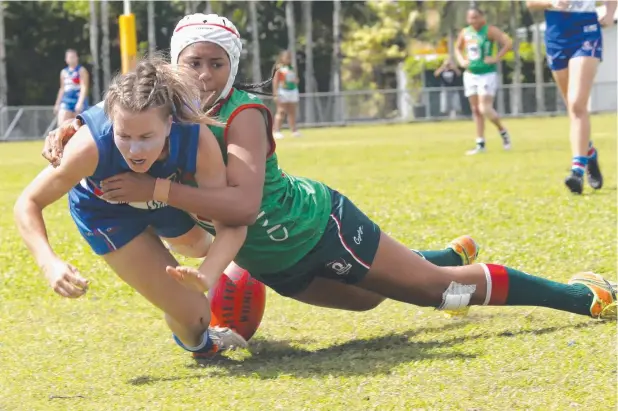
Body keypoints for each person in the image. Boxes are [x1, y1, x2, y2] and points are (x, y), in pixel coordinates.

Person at [43, 14, 617, 356]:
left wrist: (160, 195)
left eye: (216, 64)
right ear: (175, 63)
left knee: (439, 294)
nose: (203, 74)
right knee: (369, 300)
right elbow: (116, 116)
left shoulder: (242, 113)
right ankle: (430, 257)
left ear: (232, 68)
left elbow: (241, 204)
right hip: (276, 263)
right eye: (193, 62)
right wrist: (66, 127)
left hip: (320, 229)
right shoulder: (160, 111)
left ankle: (581, 296)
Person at [16, 56, 249, 361]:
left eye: (146, 137)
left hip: (162, 193)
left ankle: (166, 243)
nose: (134, 150)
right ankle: (203, 343)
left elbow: (230, 222)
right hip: (106, 212)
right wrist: (49, 263)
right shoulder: (88, 147)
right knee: (196, 316)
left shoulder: (195, 136)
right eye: (123, 136)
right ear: (112, 121)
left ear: (169, 124)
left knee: (200, 246)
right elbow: (27, 203)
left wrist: (207, 274)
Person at [525, 0, 614, 194]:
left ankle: (577, 171)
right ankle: (589, 152)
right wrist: (551, 2)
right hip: (556, 32)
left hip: (586, 30)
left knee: (576, 104)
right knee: (572, 107)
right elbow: (530, 3)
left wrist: (610, 11)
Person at [455, 7, 513, 155]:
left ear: (482, 17)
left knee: (484, 108)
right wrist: (462, 60)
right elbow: (457, 48)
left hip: (486, 74)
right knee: (475, 110)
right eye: (470, 18)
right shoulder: (465, 32)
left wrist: (496, 58)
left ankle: (503, 131)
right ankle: (480, 143)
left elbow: (507, 43)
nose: (472, 21)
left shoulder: (490, 30)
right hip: (470, 74)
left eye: (475, 17)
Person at [53, 49, 90, 125]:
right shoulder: (63, 72)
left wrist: (80, 102)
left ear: (77, 58)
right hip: (67, 100)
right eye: (69, 57)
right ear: (66, 59)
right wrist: (57, 103)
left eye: (73, 57)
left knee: (79, 123)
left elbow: (84, 87)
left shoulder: (81, 70)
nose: (71, 59)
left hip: (77, 98)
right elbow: (62, 88)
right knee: (62, 120)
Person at [272, 50, 301, 139]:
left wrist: (296, 80)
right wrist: (275, 94)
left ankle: (294, 130)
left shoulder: (292, 68)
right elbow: (275, 81)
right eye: (287, 57)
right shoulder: (279, 68)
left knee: (292, 112)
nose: (288, 59)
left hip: (292, 90)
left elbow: (296, 79)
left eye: (290, 57)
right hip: (283, 91)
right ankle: (276, 130)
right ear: (282, 58)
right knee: (281, 111)